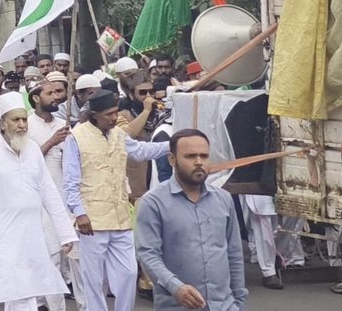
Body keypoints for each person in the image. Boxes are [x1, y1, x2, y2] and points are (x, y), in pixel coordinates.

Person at [0, 92, 78, 311]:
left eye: (24, 119)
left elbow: (49, 192)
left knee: (29, 290)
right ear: (2, 124)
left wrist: (65, 233)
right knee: (16, 292)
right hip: (1, 235)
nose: (22, 125)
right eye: (16, 120)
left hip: (32, 234)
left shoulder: (33, 150)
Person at [63, 92, 171, 311]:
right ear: (95, 115)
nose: (114, 118)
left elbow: (141, 151)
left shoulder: (118, 135)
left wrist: (173, 144)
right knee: (94, 280)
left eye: (115, 113)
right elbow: (70, 181)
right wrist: (79, 213)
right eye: (109, 114)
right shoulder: (76, 137)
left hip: (121, 217)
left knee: (129, 273)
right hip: (92, 220)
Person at [136, 129, 245, 311]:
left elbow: (234, 253)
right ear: (172, 159)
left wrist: (239, 301)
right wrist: (176, 287)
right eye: (190, 156)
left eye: (204, 156)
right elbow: (148, 254)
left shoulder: (224, 199)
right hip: (176, 306)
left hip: (224, 306)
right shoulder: (153, 202)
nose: (199, 162)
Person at [29, 71, 84, 306]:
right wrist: (52, 141)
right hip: (43, 202)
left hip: (69, 198)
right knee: (52, 256)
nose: (56, 97)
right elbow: (27, 163)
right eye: (50, 93)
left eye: (57, 92)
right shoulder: (26, 125)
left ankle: (86, 305)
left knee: (76, 258)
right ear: (36, 98)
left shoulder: (65, 125)